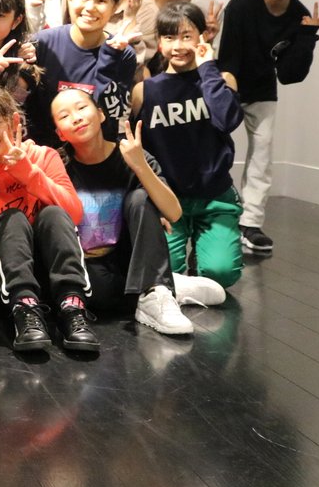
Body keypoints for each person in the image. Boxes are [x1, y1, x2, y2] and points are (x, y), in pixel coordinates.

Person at [52, 88, 212, 335]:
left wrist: (140, 167)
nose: (76, 117)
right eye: (64, 116)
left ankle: (156, 289)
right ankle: (166, 285)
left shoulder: (131, 154)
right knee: (99, 298)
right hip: (89, 263)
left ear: (101, 114)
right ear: (59, 133)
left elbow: (174, 213)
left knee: (140, 198)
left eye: (82, 108)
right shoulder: (57, 164)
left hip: (130, 258)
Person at [0, 87, 97, 353]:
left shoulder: (43, 156)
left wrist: (29, 174)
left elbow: (74, 214)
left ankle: (72, 307)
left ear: (14, 121)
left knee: (54, 213)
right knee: (13, 218)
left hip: (45, 272)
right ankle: (24, 310)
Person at [217, 0, 319, 254]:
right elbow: (228, 57)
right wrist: (225, 94)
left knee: (262, 153)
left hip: (263, 89)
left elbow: (290, 75)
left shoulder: (300, 16)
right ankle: (213, 216)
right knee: (213, 150)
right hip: (226, 84)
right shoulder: (242, 3)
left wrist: (307, 38)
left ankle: (250, 224)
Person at [134, 2, 246, 287]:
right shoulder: (145, 91)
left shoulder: (221, 80)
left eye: (187, 36)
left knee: (220, 274)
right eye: (170, 37)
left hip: (214, 196)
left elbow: (227, 120)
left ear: (202, 38)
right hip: (168, 200)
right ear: (159, 42)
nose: (178, 46)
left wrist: (207, 67)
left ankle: (207, 250)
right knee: (166, 278)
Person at [24, 0, 138, 148]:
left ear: (115, 7)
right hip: (44, 150)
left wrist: (111, 56)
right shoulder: (43, 43)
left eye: (101, 0)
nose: (90, 7)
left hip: (93, 152)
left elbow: (110, 114)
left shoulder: (123, 54)